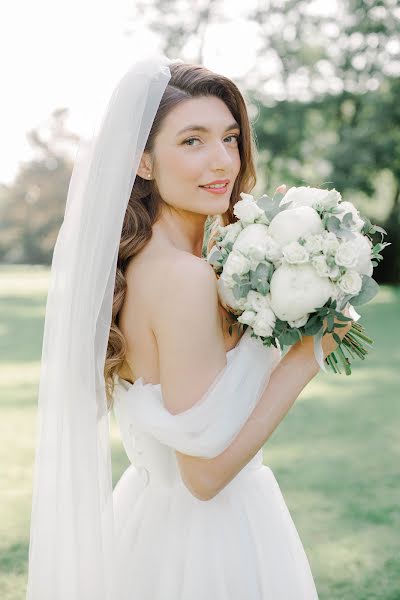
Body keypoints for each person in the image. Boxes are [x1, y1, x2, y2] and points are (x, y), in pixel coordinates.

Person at [26, 54, 352, 600]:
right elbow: (204, 476)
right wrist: (308, 356)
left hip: (155, 520)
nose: (222, 161)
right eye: (192, 141)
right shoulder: (182, 277)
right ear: (144, 163)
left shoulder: (154, 263)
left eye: (230, 137)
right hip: (208, 544)